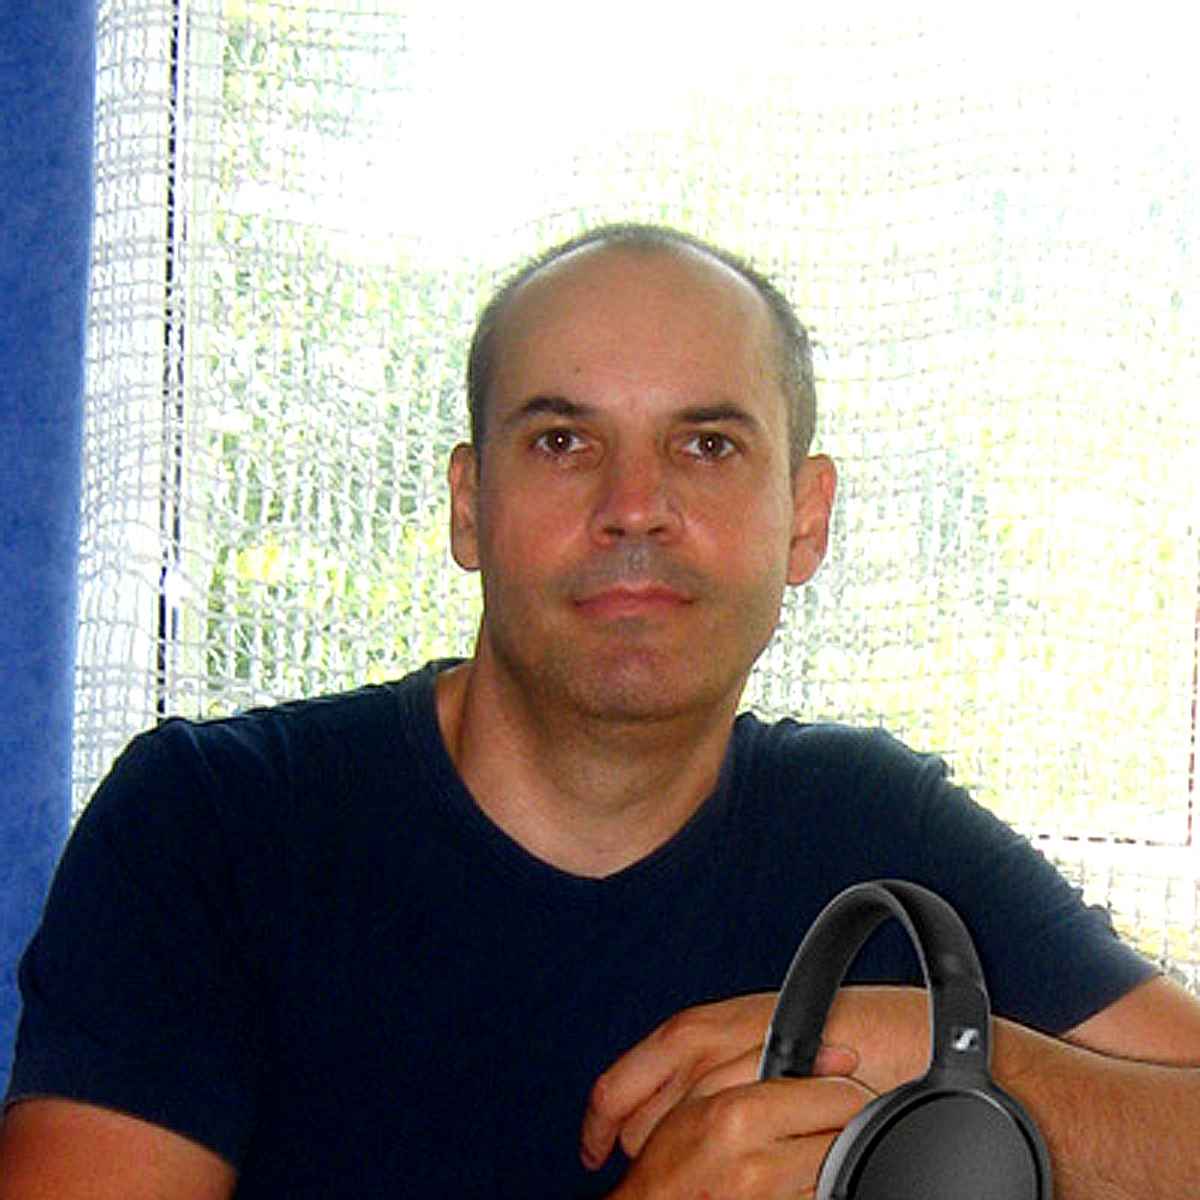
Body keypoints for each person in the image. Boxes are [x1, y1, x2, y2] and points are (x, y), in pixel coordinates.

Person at [2, 223, 1199, 1199]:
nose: (635, 505)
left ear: (805, 521)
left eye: (708, 445)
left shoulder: (879, 829)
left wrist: (958, 1066)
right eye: (564, 440)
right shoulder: (211, 826)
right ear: (469, 505)